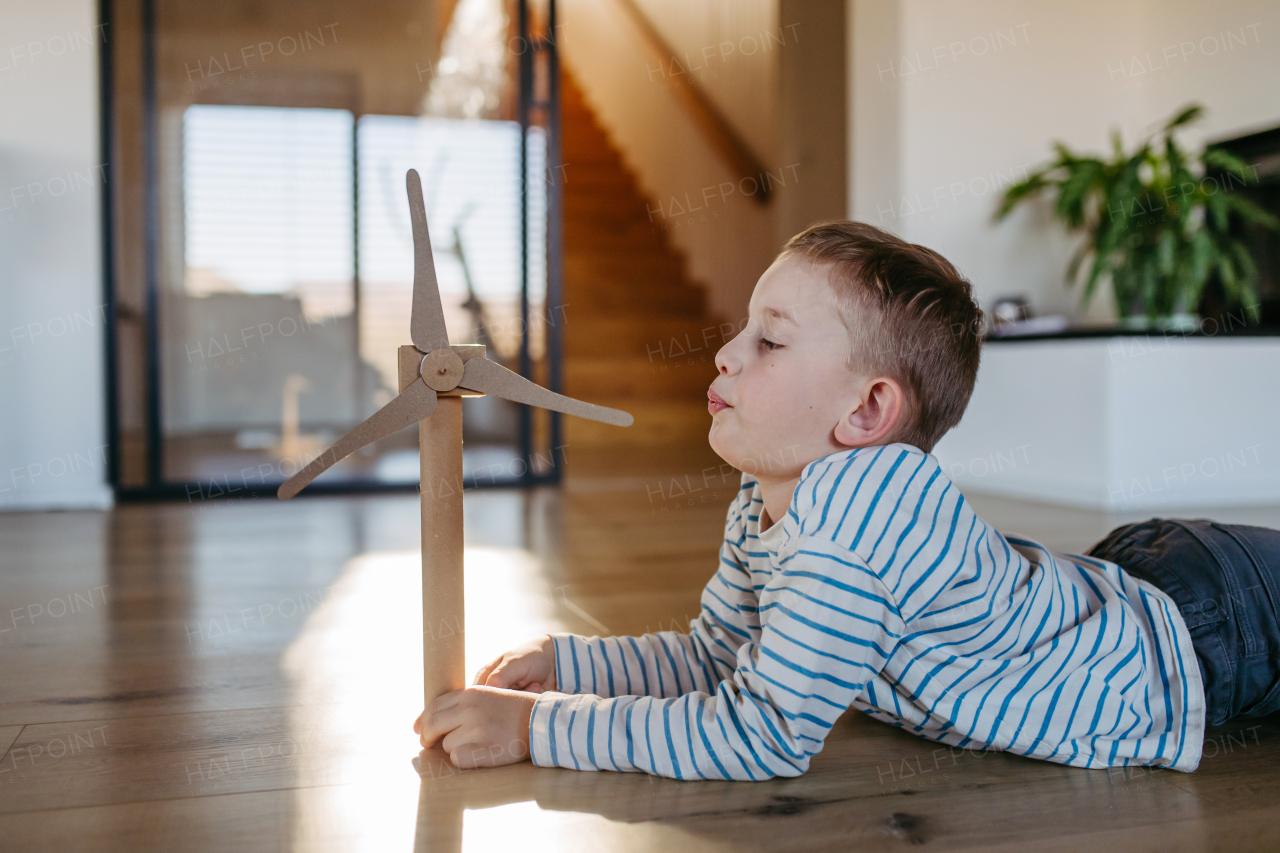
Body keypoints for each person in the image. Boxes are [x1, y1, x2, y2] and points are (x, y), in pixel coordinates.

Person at [414, 221, 1280, 779]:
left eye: (769, 338)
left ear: (867, 411)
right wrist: (570, 663)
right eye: (742, 328)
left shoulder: (861, 512)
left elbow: (763, 734)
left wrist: (543, 728)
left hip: (1209, 630)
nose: (724, 351)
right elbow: (722, 657)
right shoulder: (767, 495)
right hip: (1137, 577)